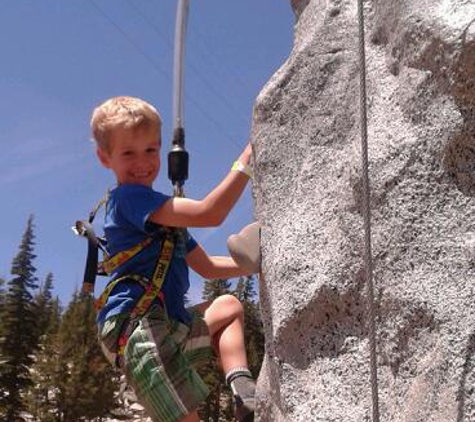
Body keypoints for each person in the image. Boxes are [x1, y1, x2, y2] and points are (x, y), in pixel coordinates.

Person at [89, 96, 256, 422]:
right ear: (104, 158)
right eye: (128, 153)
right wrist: (247, 159)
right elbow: (211, 212)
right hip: (136, 327)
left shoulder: (166, 223)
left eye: (150, 150)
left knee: (228, 306)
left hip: (169, 326)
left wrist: (254, 264)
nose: (142, 162)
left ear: (161, 148)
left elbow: (207, 267)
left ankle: (243, 392)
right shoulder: (128, 199)